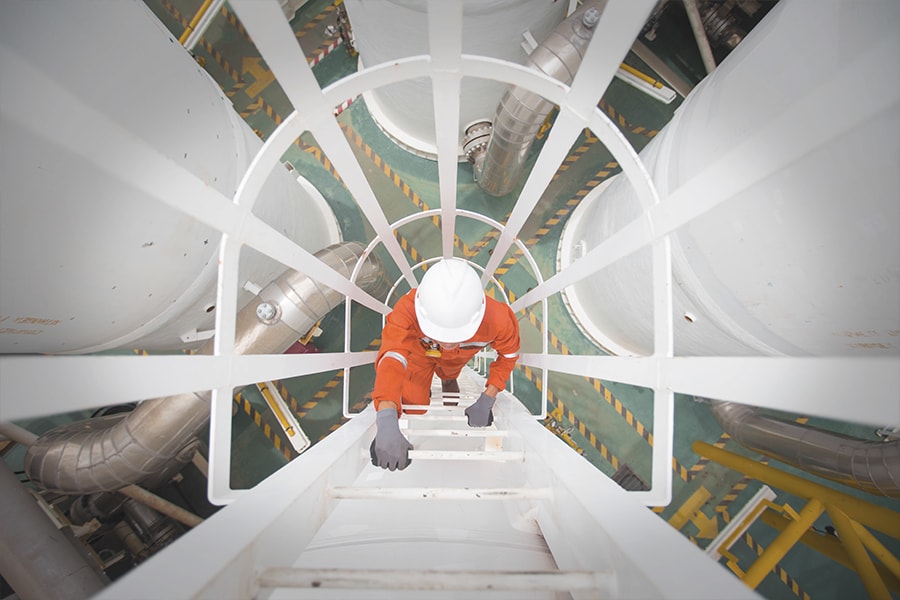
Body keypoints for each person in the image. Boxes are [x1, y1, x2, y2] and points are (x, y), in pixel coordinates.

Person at [370, 259, 520, 471]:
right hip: (419, 356)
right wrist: (386, 416)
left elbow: (508, 356)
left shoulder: (499, 319)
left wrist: (489, 397)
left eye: (457, 335)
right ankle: (440, 380)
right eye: (441, 334)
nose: (448, 343)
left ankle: (448, 379)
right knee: (413, 405)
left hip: (456, 361)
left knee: (450, 372)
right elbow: (392, 357)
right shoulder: (407, 308)